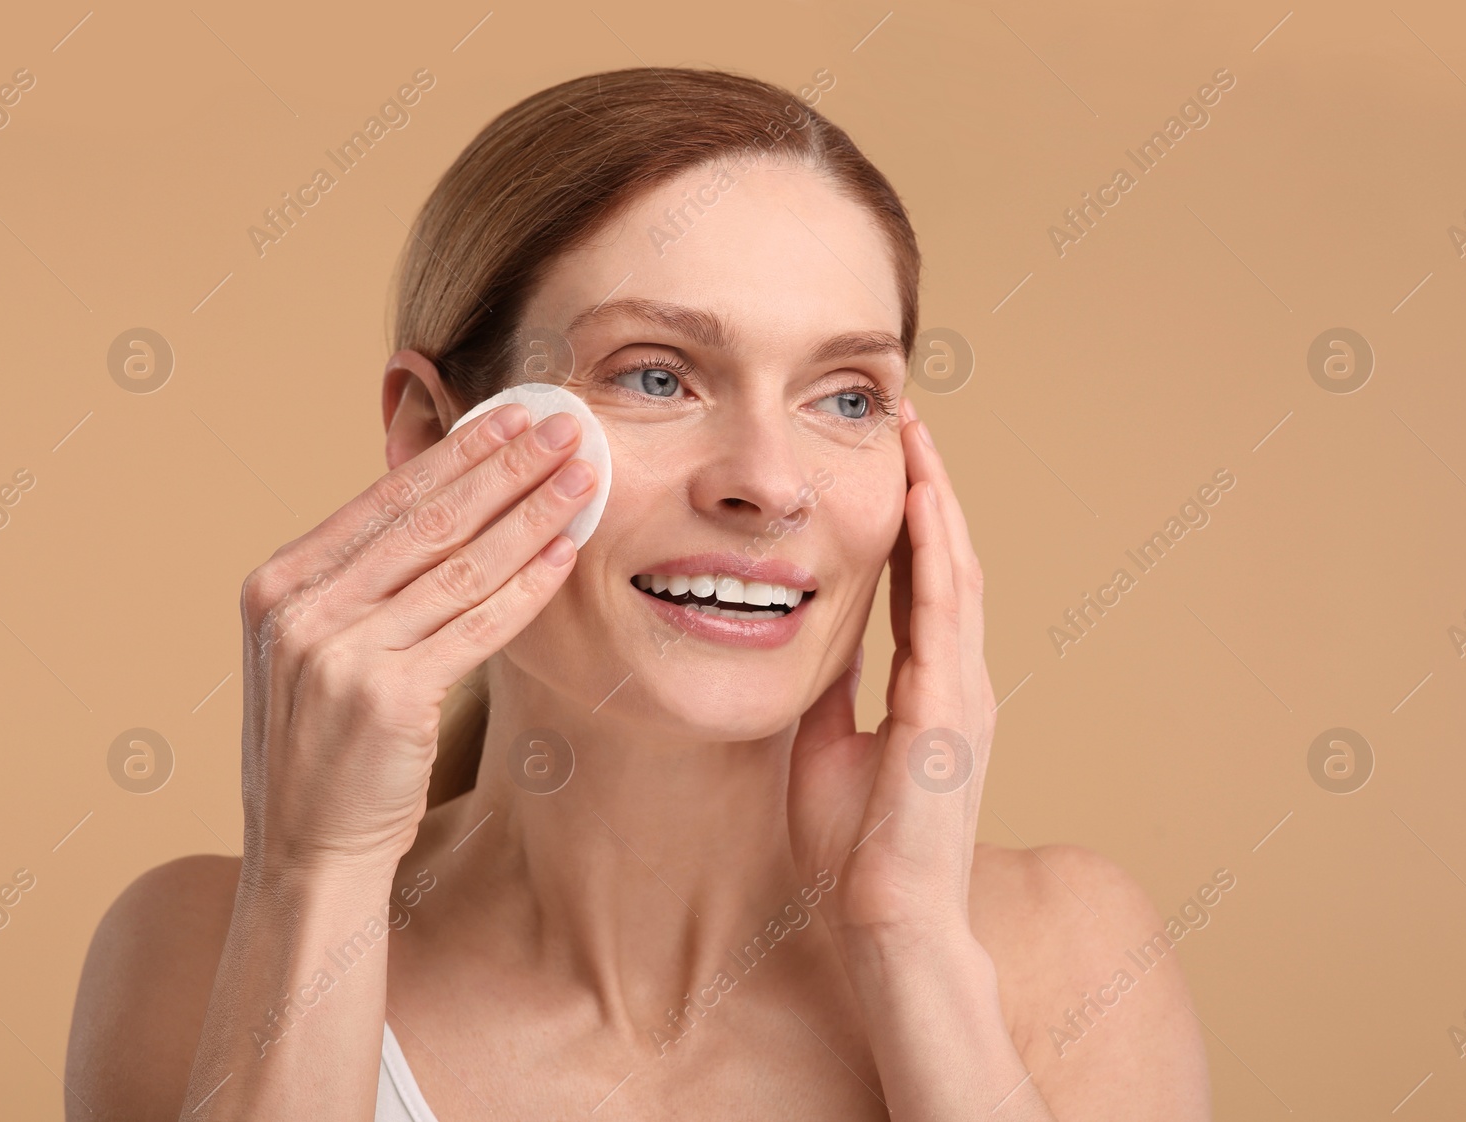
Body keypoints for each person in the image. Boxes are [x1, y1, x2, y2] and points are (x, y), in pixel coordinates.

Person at [65, 66, 1211, 1120]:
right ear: (430, 440)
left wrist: (908, 943)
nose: (768, 484)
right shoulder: (194, 949)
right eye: (657, 376)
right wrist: (318, 880)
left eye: (848, 397)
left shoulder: (1068, 955)